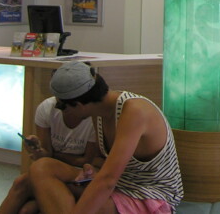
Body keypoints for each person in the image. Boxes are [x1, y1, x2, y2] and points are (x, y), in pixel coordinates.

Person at [28, 62, 183, 213]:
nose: (62, 113)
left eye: (62, 106)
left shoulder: (134, 112)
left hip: (149, 196)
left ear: (79, 105)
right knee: (41, 168)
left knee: (40, 201)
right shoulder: (99, 112)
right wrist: (92, 169)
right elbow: (102, 164)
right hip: (120, 186)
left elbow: (107, 180)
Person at [0, 97, 101, 214]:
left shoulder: (92, 116)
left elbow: (86, 160)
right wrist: (37, 149)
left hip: (80, 171)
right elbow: (45, 154)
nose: (62, 108)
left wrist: (53, 156)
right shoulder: (47, 108)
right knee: (20, 185)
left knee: (41, 175)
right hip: (51, 167)